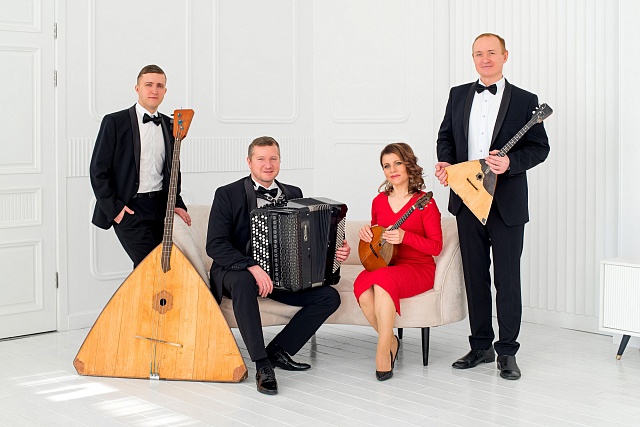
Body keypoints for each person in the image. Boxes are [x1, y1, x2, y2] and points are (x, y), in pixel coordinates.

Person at [434, 33, 550, 380]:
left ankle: (507, 352)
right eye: (478, 54)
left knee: (507, 279)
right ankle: (481, 346)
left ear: (504, 56)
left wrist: (511, 163)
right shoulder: (457, 95)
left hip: (507, 203)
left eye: (491, 53)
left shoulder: (526, 100)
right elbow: (446, 137)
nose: (485, 59)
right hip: (467, 198)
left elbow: (539, 148)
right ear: (473, 58)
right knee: (475, 277)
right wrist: (446, 162)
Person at [206, 136, 351, 395]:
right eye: (261, 159)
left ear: (280, 161)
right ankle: (262, 365)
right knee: (243, 282)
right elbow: (215, 245)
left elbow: (308, 242)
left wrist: (335, 250)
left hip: (281, 277)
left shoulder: (294, 193)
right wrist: (252, 266)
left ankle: (278, 351)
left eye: (273, 158)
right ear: (249, 162)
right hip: (236, 272)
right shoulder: (227, 194)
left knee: (329, 297)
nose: (268, 164)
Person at [356, 143, 442, 381]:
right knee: (362, 284)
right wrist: (366, 234)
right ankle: (391, 340)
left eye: (397, 163)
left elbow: (436, 247)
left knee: (383, 281)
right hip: (388, 265)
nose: (392, 170)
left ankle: (383, 352)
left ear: (408, 165)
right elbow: (378, 235)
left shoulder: (425, 202)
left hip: (419, 268)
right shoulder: (379, 201)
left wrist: (406, 237)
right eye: (386, 166)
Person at [90, 64, 191, 267]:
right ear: (137, 88)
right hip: (130, 208)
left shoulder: (170, 124)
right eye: (148, 85)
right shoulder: (114, 122)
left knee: (163, 267)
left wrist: (176, 203)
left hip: (161, 207)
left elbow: (173, 169)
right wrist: (115, 209)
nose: (154, 90)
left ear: (165, 91)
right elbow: (98, 170)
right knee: (148, 266)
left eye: (160, 86)